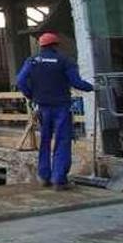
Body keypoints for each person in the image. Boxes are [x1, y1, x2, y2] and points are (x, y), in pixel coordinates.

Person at [16, 32, 94, 191]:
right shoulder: (65, 60)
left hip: (42, 107)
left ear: (41, 45)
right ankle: (59, 179)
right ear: (56, 45)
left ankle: (44, 177)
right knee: (63, 141)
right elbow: (76, 82)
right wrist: (92, 87)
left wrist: (31, 95)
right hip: (61, 107)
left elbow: (20, 81)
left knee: (44, 141)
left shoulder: (32, 61)